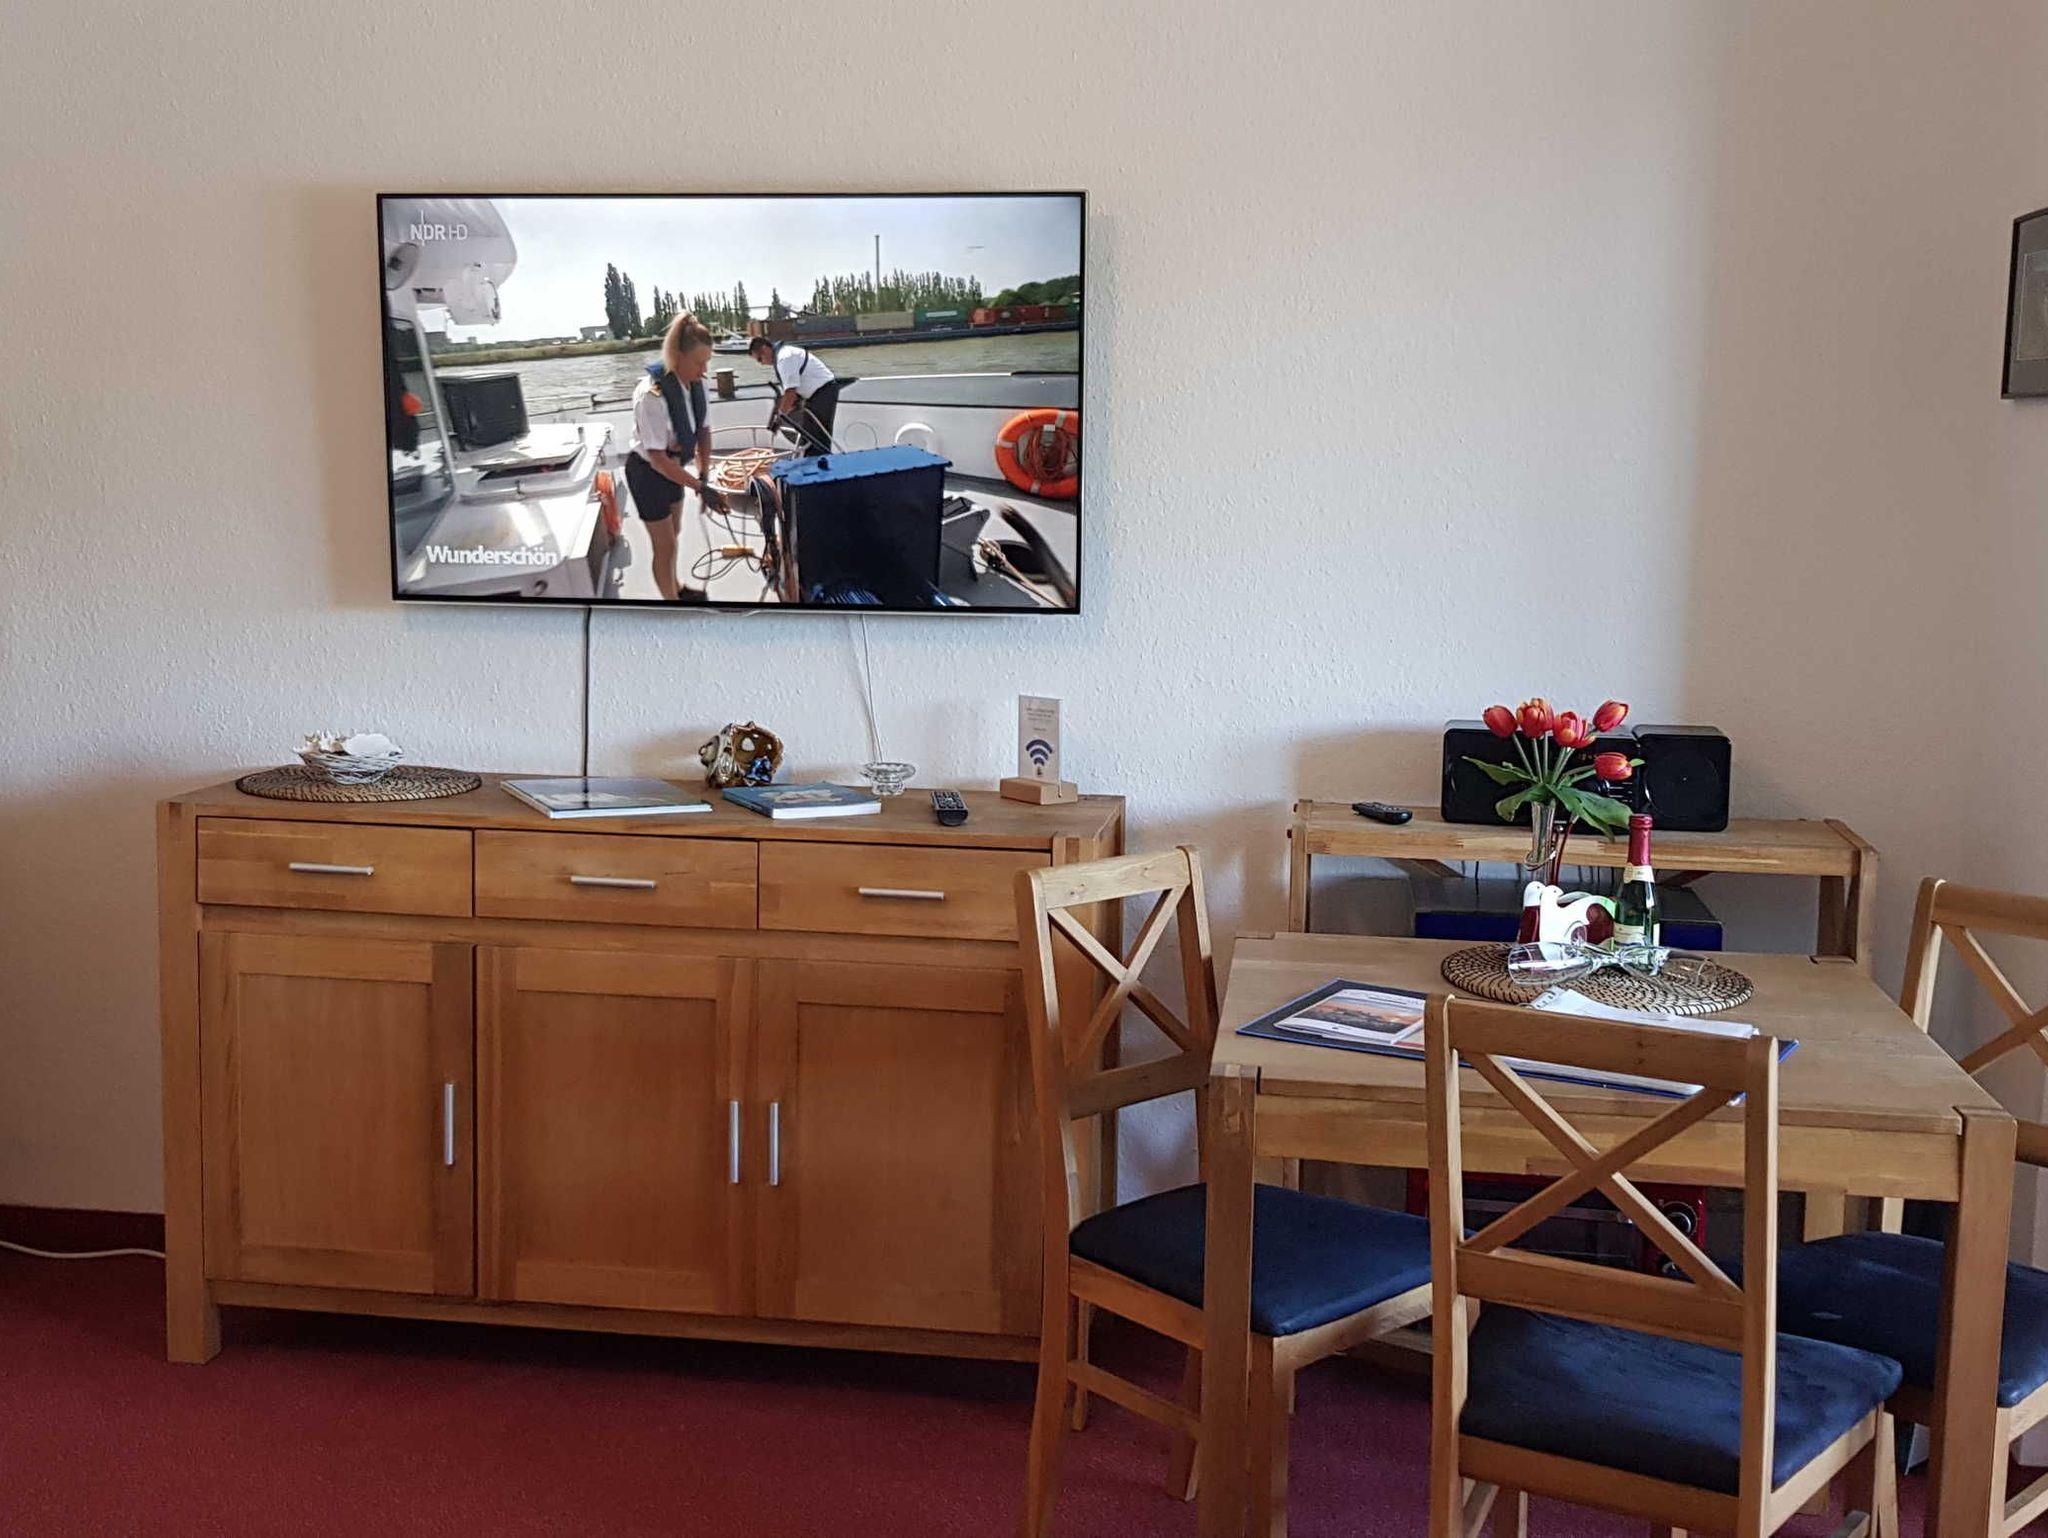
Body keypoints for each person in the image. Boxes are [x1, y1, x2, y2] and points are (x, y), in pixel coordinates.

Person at [626, 313, 727, 602]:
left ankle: (677, 586)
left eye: (707, 362)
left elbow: (703, 431)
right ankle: (673, 605)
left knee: (676, 530)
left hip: (675, 468)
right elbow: (657, 459)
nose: (704, 370)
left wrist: (704, 476)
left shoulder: (697, 384)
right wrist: (700, 488)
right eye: (698, 363)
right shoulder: (651, 396)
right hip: (648, 473)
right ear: (677, 357)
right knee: (665, 545)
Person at [748, 335, 840, 456]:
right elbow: (792, 395)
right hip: (816, 395)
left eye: (760, 359)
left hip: (823, 393)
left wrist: (779, 419)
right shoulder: (783, 356)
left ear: (765, 349)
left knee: (817, 437)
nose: (762, 364)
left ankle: (819, 462)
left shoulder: (785, 358)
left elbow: (790, 394)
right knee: (809, 437)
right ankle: (813, 460)